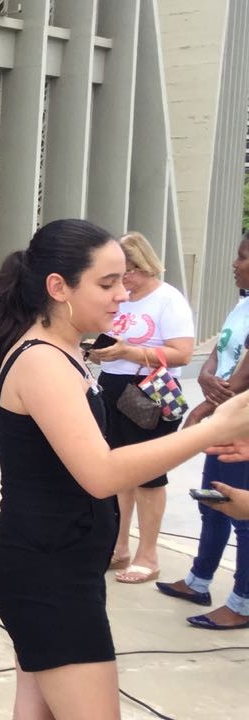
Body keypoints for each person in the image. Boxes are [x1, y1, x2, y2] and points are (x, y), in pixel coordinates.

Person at [0, 219, 249, 717]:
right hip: (47, 571)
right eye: (107, 283)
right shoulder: (43, 361)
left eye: (123, 280)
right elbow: (99, 473)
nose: (123, 294)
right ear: (58, 287)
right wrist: (210, 431)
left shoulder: (65, 352)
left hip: (56, 562)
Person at [87, 231, 194, 585]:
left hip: (150, 391)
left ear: (145, 265)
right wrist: (102, 351)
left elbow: (183, 353)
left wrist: (128, 352)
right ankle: (119, 546)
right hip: (113, 386)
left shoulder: (168, 299)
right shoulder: (122, 299)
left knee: (149, 475)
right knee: (119, 470)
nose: (125, 279)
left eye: (129, 270)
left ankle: (148, 554)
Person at [155, 231, 249, 630]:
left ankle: (243, 603)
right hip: (223, 414)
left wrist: (207, 405)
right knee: (212, 501)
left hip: (239, 422)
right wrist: (208, 378)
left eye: (243, 256)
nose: (235, 263)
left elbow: (244, 375)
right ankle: (199, 581)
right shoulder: (242, 304)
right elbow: (218, 354)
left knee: (241, 511)